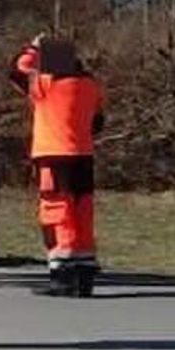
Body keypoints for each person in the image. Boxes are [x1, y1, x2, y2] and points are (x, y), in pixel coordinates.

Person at [9, 35, 105, 298]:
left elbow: (16, 70)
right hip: (83, 155)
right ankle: (85, 272)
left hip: (52, 155)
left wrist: (33, 47)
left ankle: (62, 273)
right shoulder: (90, 85)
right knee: (82, 210)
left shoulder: (44, 84)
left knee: (56, 211)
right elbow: (97, 123)